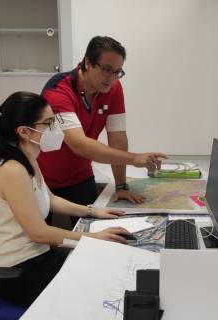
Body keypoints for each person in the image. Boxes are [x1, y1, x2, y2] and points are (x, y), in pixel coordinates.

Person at [0, 91, 131, 307]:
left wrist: (93, 211)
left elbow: (50, 199)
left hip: (39, 257)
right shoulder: (13, 171)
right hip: (17, 272)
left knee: (103, 266)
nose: (56, 128)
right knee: (100, 289)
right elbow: (38, 232)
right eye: (49, 123)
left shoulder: (29, 160)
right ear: (25, 132)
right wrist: (93, 237)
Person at [39, 36, 167, 226]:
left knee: (93, 233)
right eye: (107, 70)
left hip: (80, 176)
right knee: (38, 246)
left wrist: (121, 185)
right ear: (88, 62)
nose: (112, 78)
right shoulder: (58, 91)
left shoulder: (113, 88)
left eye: (118, 72)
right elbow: (79, 144)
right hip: (43, 178)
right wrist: (134, 158)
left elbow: (118, 138)